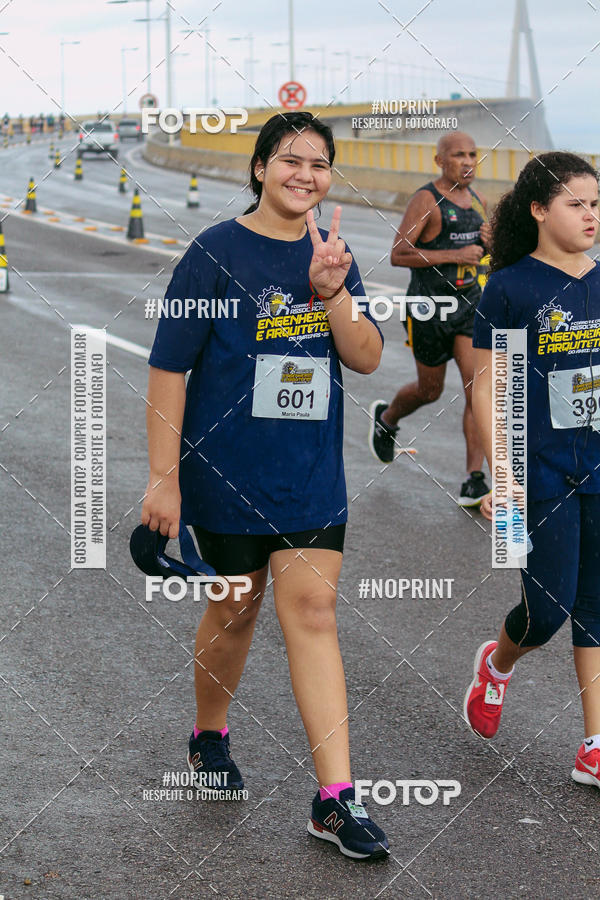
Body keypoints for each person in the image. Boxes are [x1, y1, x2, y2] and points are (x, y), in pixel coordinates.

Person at [142, 111, 390, 858]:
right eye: (289, 159)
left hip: (310, 474)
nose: (304, 174)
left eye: (319, 163)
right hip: (224, 473)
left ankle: (335, 800)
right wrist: (163, 480)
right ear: (258, 169)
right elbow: (167, 368)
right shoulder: (214, 252)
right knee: (236, 609)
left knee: (313, 610)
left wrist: (331, 291)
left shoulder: (333, 256)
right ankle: (210, 735)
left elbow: (369, 357)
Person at [464, 151, 600, 790]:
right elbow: (488, 388)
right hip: (538, 472)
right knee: (546, 614)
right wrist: (504, 473)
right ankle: (499, 661)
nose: (591, 215)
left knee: (596, 607)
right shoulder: (513, 287)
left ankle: (594, 745)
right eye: (576, 203)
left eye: (596, 204)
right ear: (541, 210)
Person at [369, 131, 492, 506]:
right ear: (440, 160)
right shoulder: (427, 199)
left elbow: (484, 253)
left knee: (478, 389)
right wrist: (456, 255)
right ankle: (387, 419)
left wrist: (492, 242)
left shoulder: (480, 201)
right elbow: (399, 254)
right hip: (428, 308)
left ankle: (474, 479)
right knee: (430, 390)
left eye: (473, 154)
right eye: (458, 155)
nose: (468, 161)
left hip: (469, 306)